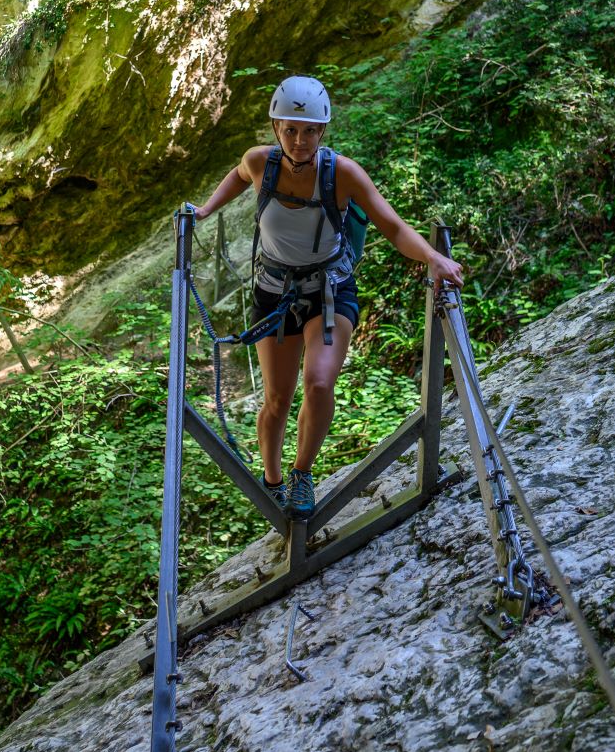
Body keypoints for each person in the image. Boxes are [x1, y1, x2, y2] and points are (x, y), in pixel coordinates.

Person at [192, 75, 463, 519]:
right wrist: (204, 211)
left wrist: (433, 257)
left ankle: (301, 474)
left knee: (317, 382)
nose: (300, 140)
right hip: (273, 294)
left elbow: (392, 226)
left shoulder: (343, 174)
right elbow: (238, 177)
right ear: (276, 127)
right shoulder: (261, 163)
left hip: (330, 292)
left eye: (310, 131)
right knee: (277, 399)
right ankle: (272, 479)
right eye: (291, 130)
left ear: (323, 131)